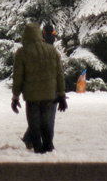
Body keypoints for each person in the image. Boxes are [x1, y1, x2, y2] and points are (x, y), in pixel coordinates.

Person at [11, 22, 67, 154]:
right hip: (49, 94)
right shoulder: (52, 50)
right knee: (47, 122)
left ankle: (37, 148)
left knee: (34, 123)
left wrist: (15, 96)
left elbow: (18, 77)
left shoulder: (22, 53)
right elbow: (59, 74)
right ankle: (48, 146)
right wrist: (62, 94)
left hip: (32, 96)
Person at [21, 22, 58, 149]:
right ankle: (46, 144)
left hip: (41, 86)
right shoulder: (48, 47)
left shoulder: (38, 46)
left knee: (40, 117)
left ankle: (30, 138)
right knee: (47, 117)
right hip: (47, 87)